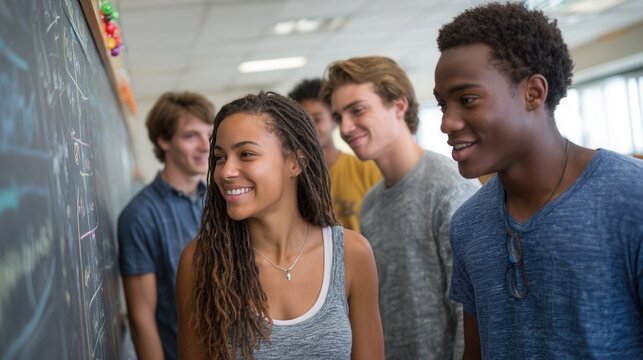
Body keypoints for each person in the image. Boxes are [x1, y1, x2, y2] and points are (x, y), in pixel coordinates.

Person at [434, 3, 643, 359]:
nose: (447, 123)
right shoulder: (467, 223)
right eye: (442, 105)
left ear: (534, 92)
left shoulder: (630, 199)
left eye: (467, 100)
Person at [176, 91, 384, 359]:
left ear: (296, 162)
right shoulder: (201, 262)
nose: (226, 171)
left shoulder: (352, 254)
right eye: (219, 157)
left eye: (247, 154)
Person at [321, 56, 479, 359]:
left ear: (399, 106)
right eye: (339, 116)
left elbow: (470, 313)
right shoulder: (371, 203)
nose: (346, 127)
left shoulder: (450, 188)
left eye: (357, 110)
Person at [118, 91, 215, 360]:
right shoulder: (140, 215)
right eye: (190, 136)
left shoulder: (219, 203)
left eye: (209, 134)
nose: (205, 146)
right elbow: (141, 317)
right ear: (163, 141)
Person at [288, 78, 381, 232]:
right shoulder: (292, 178)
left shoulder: (367, 169)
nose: (310, 128)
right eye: (302, 122)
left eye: (317, 119)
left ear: (334, 119)